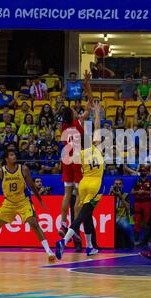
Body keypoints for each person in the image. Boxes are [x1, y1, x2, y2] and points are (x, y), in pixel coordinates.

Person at [0, 149, 55, 262]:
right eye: (11, 155)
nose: (14, 156)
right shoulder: (0, 172)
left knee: (34, 223)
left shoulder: (23, 169)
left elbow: (32, 185)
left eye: (14, 154)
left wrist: (40, 200)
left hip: (23, 201)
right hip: (9, 202)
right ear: (6, 159)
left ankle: (49, 252)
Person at [55, 98, 104, 259]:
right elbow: (97, 126)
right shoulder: (96, 147)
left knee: (86, 214)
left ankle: (90, 246)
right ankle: (66, 239)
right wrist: (97, 112)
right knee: (83, 214)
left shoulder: (79, 153)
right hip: (95, 186)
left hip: (83, 184)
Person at [58, 71, 93, 238]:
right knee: (78, 195)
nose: (74, 109)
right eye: (72, 109)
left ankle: (63, 224)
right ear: (72, 115)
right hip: (77, 159)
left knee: (67, 194)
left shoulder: (62, 126)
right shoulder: (79, 121)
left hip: (66, 159)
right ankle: (75, 226)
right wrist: (87, 83)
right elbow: (90, 103)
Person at [111, 179, 134, 249]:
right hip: (111, 218)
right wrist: (110, 192)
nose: (118, 186)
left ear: (122, 185)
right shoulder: (110, 194)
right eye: (116, 184)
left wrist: (120, 196)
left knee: (127, 226)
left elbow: (128, 207)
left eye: (119, 184)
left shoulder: (126, 195)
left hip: (122, 217)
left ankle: (131, 243)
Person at [131, 166, 151, 242]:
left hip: (146, 202)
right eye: (141, 171)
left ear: (147, 172)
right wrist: (137, 192)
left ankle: (148, 237)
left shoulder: (150, 180)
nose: (143, 172)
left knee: (147, 220)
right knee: (137, 220)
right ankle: (136, 238)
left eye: (144, 171)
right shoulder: (137, 180)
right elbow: (132, 192)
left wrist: (144, 192)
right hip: (138, 202)